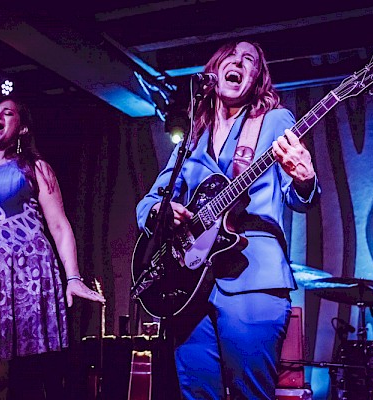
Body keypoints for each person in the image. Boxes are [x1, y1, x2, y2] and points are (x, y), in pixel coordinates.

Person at [136, 41, 320, 399]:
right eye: (231, 57)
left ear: (257, 79)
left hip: (252, 276)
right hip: (188, 286)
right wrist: (160, 212)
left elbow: (297, 196)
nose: (238, 62)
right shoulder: (192, 137)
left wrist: (305, 179)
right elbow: (151, 200)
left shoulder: (274, 121)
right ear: (214, 72)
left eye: (249, 60)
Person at [0, 95, 105, 400]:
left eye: (8, 113)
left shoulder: (35, 168)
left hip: (27, 277)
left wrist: (73, 277)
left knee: (26, 377)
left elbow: (59, 225)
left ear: (23, 128)